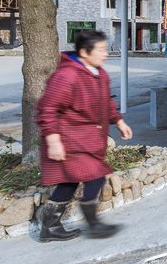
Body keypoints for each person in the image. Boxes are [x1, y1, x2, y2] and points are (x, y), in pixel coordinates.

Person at [36, 30, 133, 242]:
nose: (105, 54)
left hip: (86, 140)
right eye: (100, 50)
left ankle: (50, 227)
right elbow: (48, 108)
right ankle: (93, 225)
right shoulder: (67, 75)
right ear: (84, 52)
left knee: (69, 182)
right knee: (95, 175)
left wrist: (119, 121)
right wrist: (53, 141)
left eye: (105, 49)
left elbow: (106, 102)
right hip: (69, 140)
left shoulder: (98, 73)